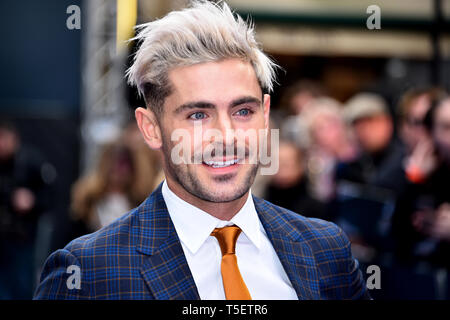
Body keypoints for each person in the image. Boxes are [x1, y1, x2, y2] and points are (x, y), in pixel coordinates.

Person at [34, 1, 370, 300]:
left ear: (265, 115)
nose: (225, 136)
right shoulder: (89, 275)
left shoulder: (326, 251)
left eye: (242, 111)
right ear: (151, 128)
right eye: (198, 115)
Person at [0, 120, 55, 299]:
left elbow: (50, 195)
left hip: (23, 235)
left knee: (23, 281)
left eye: (4, 138)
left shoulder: (31, 161)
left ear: (14, 139)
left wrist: (31, 200)